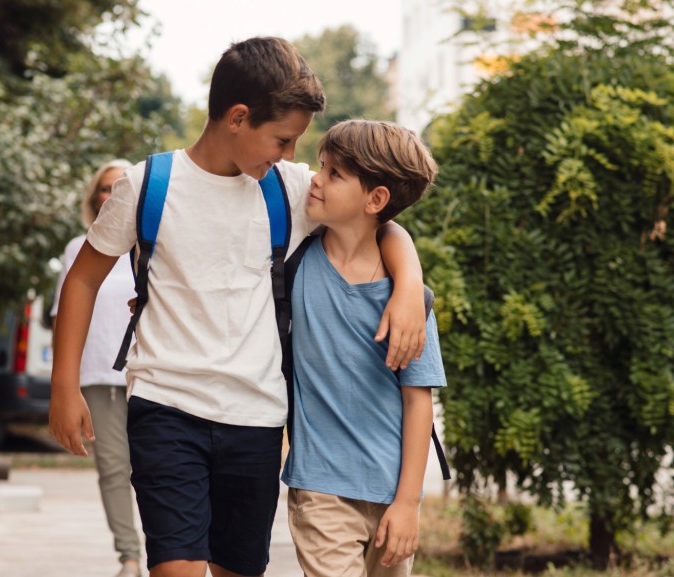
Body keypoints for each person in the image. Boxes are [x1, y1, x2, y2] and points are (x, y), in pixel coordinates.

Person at [50, 37, 428, 577]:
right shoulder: (148, 184)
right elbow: (83, 279)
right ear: (238, 117)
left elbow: (380, 222)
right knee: (176, 567)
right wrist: (64, 385)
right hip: (165, 405)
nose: (291, 155)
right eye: (282, 139)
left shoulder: (291, 190)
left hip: (256, 419)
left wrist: (409, 284)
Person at [280, 119, 447, 577]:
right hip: (320, 489)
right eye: (321, 166)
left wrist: (409, 502)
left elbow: (419, 402)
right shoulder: (296, 264)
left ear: (375, 200)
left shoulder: (409, 302)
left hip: (393, 493)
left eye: (335, 174)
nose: (316, 178)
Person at [50, 159, 142, 577]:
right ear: (95, 198)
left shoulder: (152, 243)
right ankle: (129, 556)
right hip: (99, 380)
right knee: (113, 470)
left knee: (159, 468)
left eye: (118, 187)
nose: (110, 195)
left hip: (150, 376)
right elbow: (63, 316)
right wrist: (66, 386)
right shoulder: (78, 248)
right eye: (104, 189)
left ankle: (169, 553)